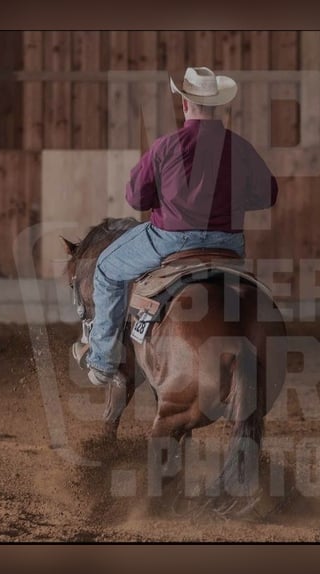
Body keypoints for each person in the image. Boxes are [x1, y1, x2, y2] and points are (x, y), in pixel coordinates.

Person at [72, 66, 279, 387]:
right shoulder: (240, 147)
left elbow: (136, 197)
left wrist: (168, 199)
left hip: (171, 240)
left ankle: (101, 360)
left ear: (184, 104)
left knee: (106, 269)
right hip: (229, 244)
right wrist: (232, 201)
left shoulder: (166, 146)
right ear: (217, 105)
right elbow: (268, 194)